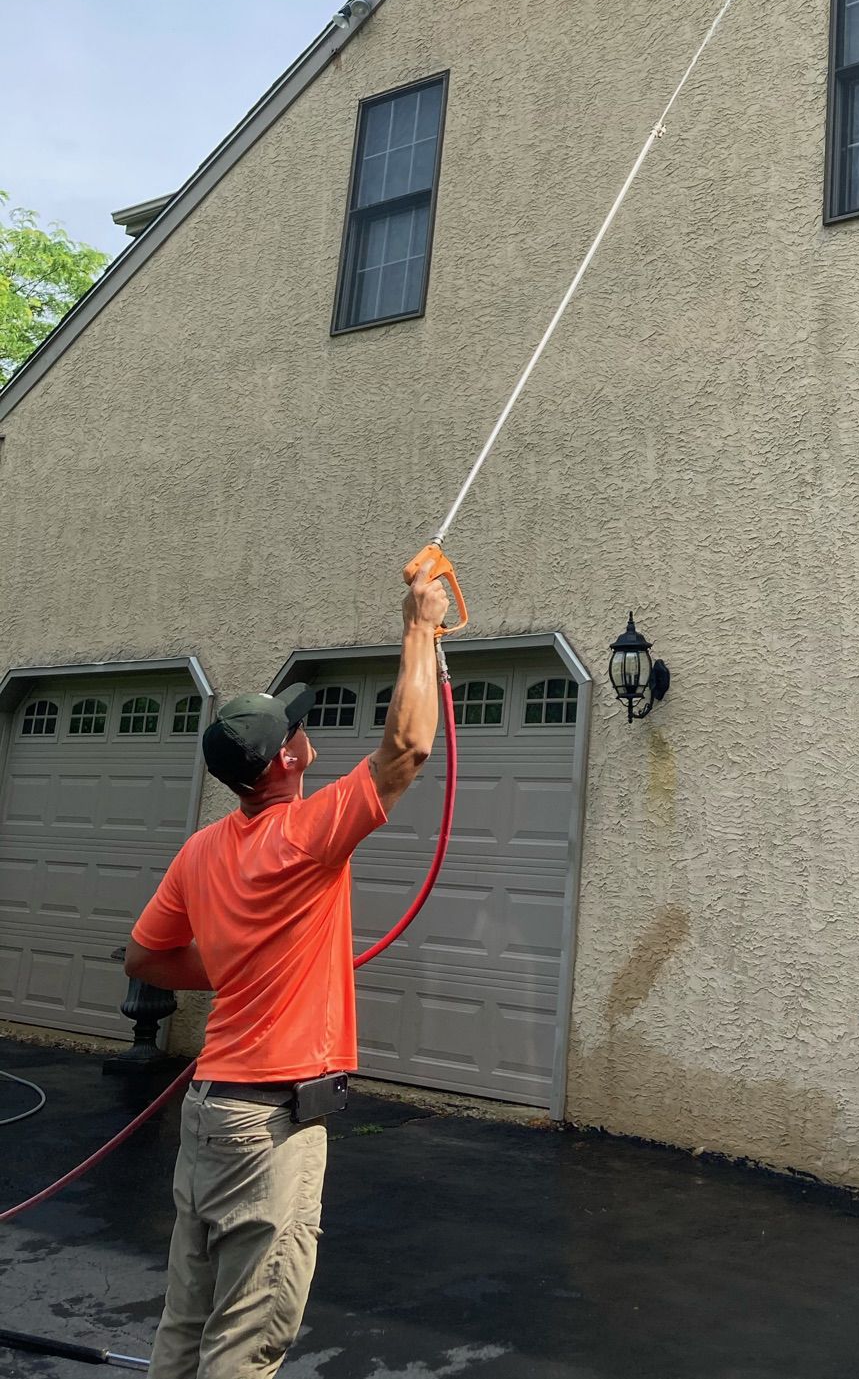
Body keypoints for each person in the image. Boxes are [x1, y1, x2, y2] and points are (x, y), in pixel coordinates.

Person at [125, 564, 449, 1379]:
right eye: (296, 731)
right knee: (244, 1346)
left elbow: (144, 955)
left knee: (185, 1330)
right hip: (267, 1130)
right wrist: (421, 626)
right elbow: (408, 748)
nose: (307, 735)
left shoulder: (204, 849)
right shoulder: (303, 834)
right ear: (282, 762)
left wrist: (231, 966)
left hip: (209, 1119)